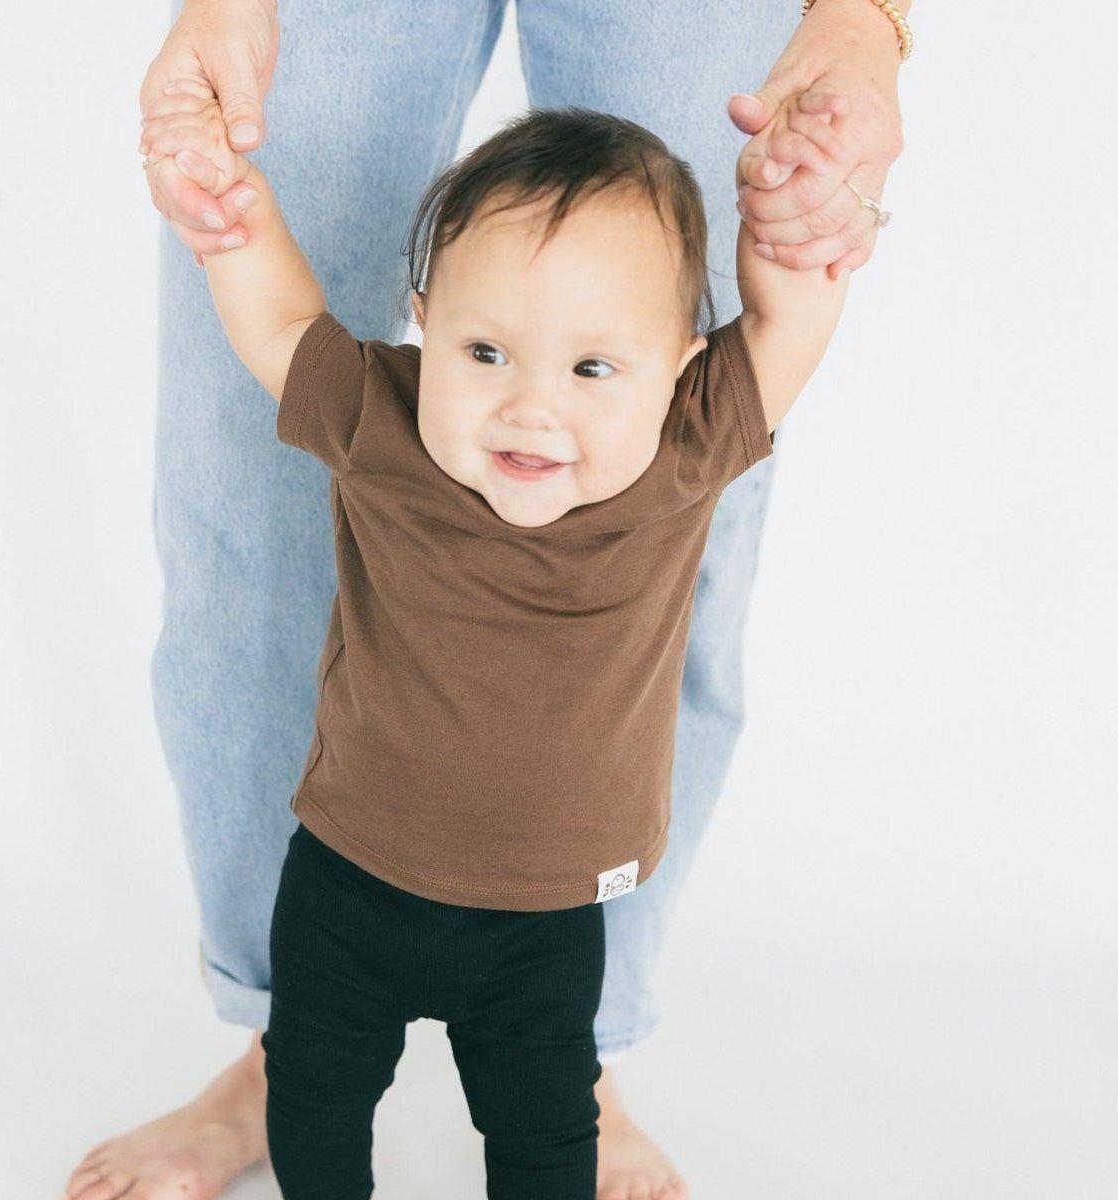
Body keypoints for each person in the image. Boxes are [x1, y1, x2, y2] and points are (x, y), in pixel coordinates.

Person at [63, 2, 909, 1198]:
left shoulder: (685, 447)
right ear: (426, 325)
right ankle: (262, 1048)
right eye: (485, 352)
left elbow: (787, 325)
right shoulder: (388, 422)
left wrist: (797, 227)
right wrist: (231, 216)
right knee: (319, 1115)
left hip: (547, 925)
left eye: (593, 366)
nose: (532, 408)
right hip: (347, 896)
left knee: (541, 1139)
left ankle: (602, 1063)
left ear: (680, 365)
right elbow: (280, 318)